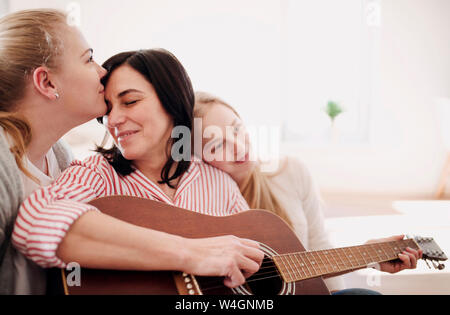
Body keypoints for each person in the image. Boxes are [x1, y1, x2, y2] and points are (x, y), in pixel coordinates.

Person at [11, 48, 264, 294]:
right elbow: (34, 218)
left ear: (173, 100)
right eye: (108, 109)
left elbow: (262, 264)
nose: (113, 119)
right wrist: (190, 254)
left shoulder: (220, 183)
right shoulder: (97, 173)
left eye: (130, 101)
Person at [193, 91, 423, 293]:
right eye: (217, 145)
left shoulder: (291, 171)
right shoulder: (201, 199)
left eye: (237, 129)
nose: (238, 146)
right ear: (197, 159)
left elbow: (318, 246)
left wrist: (369, 258)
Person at [0, 8, 108, 295]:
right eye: (89, 59)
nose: (103, 72)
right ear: (47, 82)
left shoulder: (60, 158)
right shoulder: (2, 166)